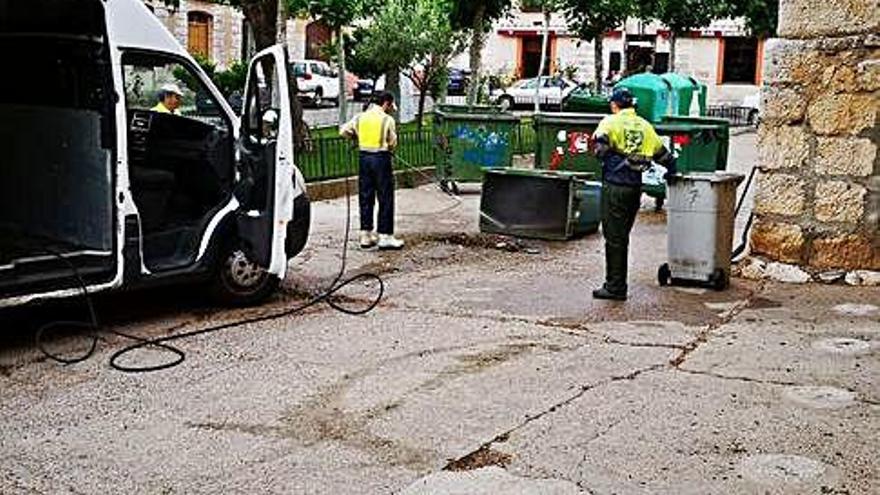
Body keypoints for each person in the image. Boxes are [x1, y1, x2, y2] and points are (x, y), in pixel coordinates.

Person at [591, 87, 677, 301]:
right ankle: (616, 283)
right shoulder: (644, 125)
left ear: (614, 105)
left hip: (615, 187)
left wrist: (611, 155)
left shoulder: (610, 122)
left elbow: (599, 151)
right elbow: (665, 157)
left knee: (614, 238)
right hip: (635, 189)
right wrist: (672, 174)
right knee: (623, 235)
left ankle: (615, 286)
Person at [339, 91, 404, 250]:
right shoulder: (387, 120)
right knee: (385, 197)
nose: (390, 109)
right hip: (381, 159)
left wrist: (356, 137)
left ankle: (365, 235)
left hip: (364, 159)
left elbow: (343, 131)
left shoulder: (360, 117)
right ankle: (385, 236)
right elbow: (392, 142)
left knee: (366, 196)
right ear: (386, 103)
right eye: (390, 106)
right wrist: (389, 147)